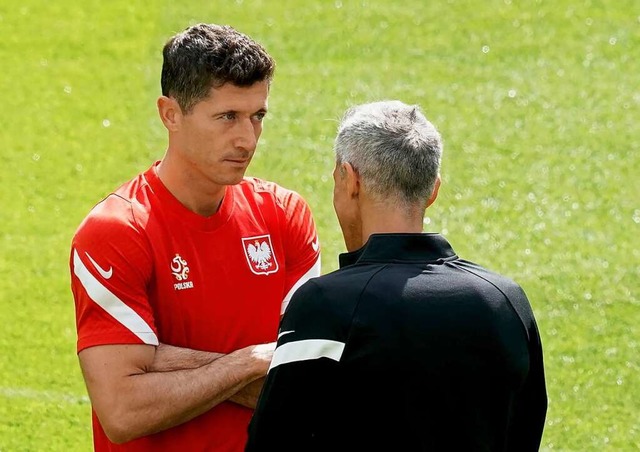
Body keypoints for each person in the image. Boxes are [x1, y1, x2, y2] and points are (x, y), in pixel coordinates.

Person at [69, 23, 321, 451]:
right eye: (227, 117)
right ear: (170, 114)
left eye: (257, 116)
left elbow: (310, 391)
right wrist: (248, 362)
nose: (247, 139)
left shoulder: (284, 216)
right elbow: (123, 411)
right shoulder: (116, 232)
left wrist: (158, 359)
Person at [246, 100, 547, 451]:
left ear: (350, 180)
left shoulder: (326, 305)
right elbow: (525, 429)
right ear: (433, 190)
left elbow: (274, 439)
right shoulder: (505, 300)